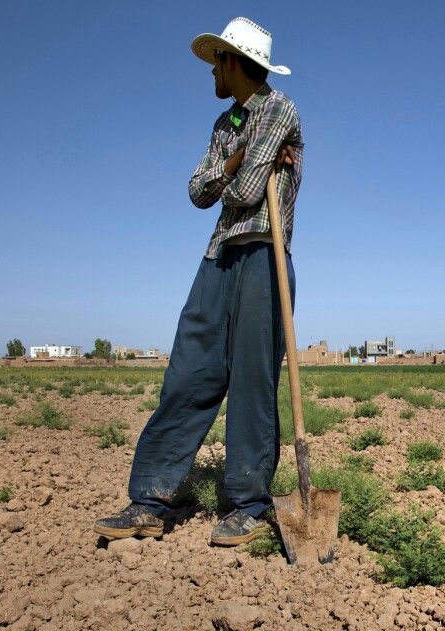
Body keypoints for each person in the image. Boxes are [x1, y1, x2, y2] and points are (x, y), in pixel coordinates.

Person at [94, 17, 303, 546]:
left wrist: (232, 173)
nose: (211, 71)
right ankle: (148, 500)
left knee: (253, 382)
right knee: (189, 372)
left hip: (264, 255)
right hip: (217, 258)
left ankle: (248, 505)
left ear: (234, 62)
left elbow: (244, 193)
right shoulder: (223, 126)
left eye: (217, 61)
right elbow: (197, 191)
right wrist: (236, 160)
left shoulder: (281, 110)